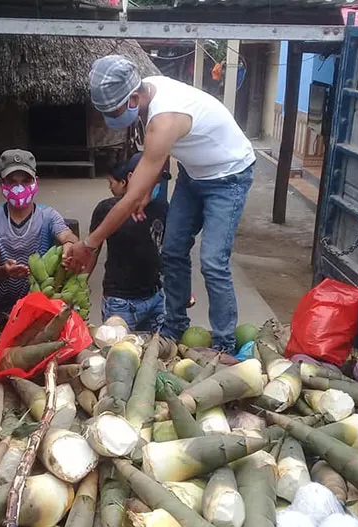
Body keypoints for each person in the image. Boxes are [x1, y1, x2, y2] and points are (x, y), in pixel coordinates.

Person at [66, 55, 256, 354]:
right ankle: (175, 326)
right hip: (193, 173)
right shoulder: (148, 90)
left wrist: (89, 244)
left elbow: (129, 198)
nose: (109, 120)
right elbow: (156, 157)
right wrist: (147, 185)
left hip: (228, 176)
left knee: (213, 262)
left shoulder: (164, 118)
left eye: (113, 112)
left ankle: (224, 344)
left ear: (133, 98)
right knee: (172, 250)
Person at [0, 149, 79, 328]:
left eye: (26, 181)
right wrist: (4, 271)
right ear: (1, 184)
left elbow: (66, 234)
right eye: (12, 181)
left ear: (35, 182)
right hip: (1, 307)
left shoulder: (48, 216)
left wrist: (69, 244)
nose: (19, 187)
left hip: (40, 306)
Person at [88, 153, 168, 332]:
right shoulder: (107, 209)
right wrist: (80, 285)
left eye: (158, 179)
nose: (155, 184)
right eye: (150, 178)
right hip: (120, 303)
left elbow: (165, 250)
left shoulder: (162, 207)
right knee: (118, 348)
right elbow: (92, 251)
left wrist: (180, 285)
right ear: (131, 177)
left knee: (158, 348)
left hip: (155, 298)